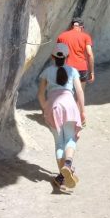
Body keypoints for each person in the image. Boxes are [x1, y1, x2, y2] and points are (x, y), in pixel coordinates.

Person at [37, 42, 86, 193]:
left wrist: (46, 107)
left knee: (59, 143)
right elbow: (79, 92)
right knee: (70, 138)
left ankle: (62, 177)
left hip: (54, 105)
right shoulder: (73, 70)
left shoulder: (47, 72)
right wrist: (82, 111)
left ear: (53, 57)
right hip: (69, 104)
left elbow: (40, 94)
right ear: (67, 57)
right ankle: (68, 164)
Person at [56, 16, 95, 86]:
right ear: (81, 27)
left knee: (66, 92)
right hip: (81, 68)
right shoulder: (86, 36)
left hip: (66, 68)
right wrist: (91, 72)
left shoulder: (61, 36)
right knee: (80, 93)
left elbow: (59, 55)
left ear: (71, 26)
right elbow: (89, 54)